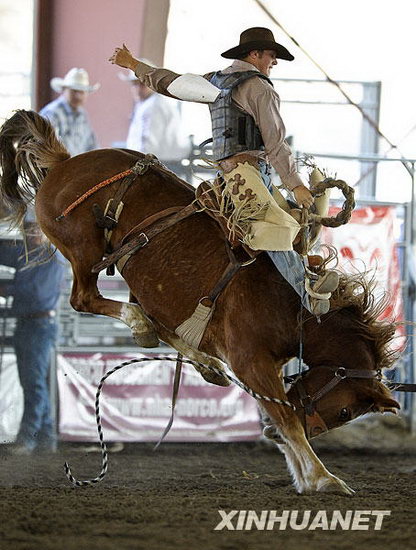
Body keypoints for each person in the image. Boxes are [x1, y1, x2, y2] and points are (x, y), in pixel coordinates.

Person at [109, 28, 339, 316]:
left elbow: (171, 83)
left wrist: (134, 65)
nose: (275, 62)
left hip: (231, 176)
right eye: (271, 55)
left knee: (291, 221)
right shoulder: (260, 89)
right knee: (275, 228)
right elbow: (276, 143)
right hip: (249, 176)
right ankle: (308, 292)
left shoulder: (214, 82)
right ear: (254, 54)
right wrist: (295, 185)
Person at [0, 222, 65, 455]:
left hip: (38, 324)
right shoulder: (33, 254)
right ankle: (46, 437)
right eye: (29, 229)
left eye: (37, 229)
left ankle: (28, 438)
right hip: (32, 323)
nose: (33, 233)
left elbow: (37, 291)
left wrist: (8, 290)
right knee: (33, 382)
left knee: (33, 382)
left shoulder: (52, 257)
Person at [120, 70, 191, 169]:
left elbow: (149, 144)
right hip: (158, 162)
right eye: (134, 85)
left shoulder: (153, 106)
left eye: (142, 84)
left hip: (160, 163)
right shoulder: (148, 103)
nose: (138, 89)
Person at [39, 67, 99, 156]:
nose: (78, 96)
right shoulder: (52, 113)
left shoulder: (83, 115)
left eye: (82, 92)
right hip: (60, 168)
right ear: (64, 90)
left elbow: (92, 145)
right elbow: (46, 148)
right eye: (74, 91)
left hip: (80, 167)